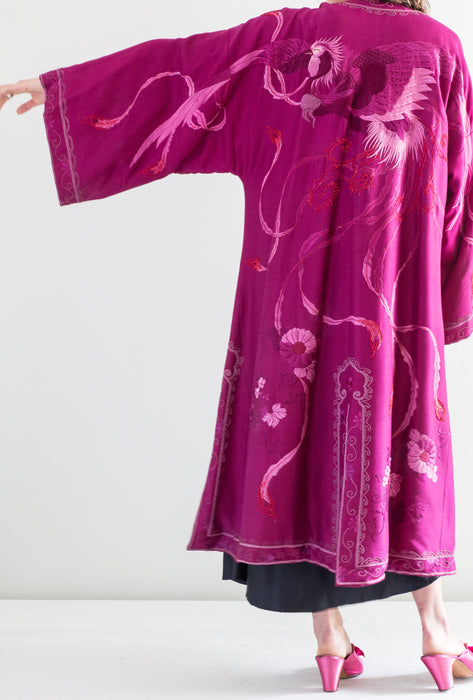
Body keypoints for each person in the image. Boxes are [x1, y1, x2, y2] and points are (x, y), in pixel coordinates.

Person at [1, 0, 473, 692]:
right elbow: (458, 182)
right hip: (395, 291)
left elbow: (183, 69)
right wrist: (449, 290)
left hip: (290, 283)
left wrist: (63, 89)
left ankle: (329, 638)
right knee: (403, 436)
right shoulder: (440, 46)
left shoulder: (287, 34)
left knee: (297, 429)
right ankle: (436, 633)